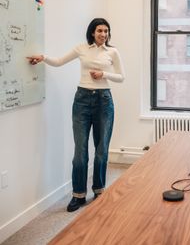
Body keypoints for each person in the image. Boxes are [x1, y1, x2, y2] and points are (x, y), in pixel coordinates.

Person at [27, 18, 125, 212]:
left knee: (101, 149)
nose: (103, 34)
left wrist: (103, 75)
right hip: (82, 101)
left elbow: (122, 77)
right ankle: (78, 195)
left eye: (106, 31)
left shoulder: (112, 52)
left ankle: (99, 190)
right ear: (92, 32)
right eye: (99, 31)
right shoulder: (81, 48)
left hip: (104, 101)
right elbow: (60, 61)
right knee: (80, 152)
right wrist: (43, 57)